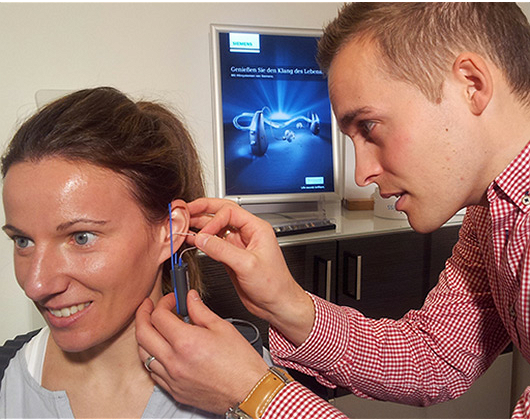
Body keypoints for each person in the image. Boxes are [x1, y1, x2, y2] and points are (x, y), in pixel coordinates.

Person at [135, 2, 530, 419]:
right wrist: (286, 305)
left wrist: (255, 393)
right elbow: (433, 357)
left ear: (471, 83)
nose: (361, 174)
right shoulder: (493, 210)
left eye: (370, 127)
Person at [0, 86, 228, 418]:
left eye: (81, 238)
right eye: (23, 241)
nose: (36, 285)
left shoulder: (248, 390)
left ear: (169, 231)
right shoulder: (7, 375)